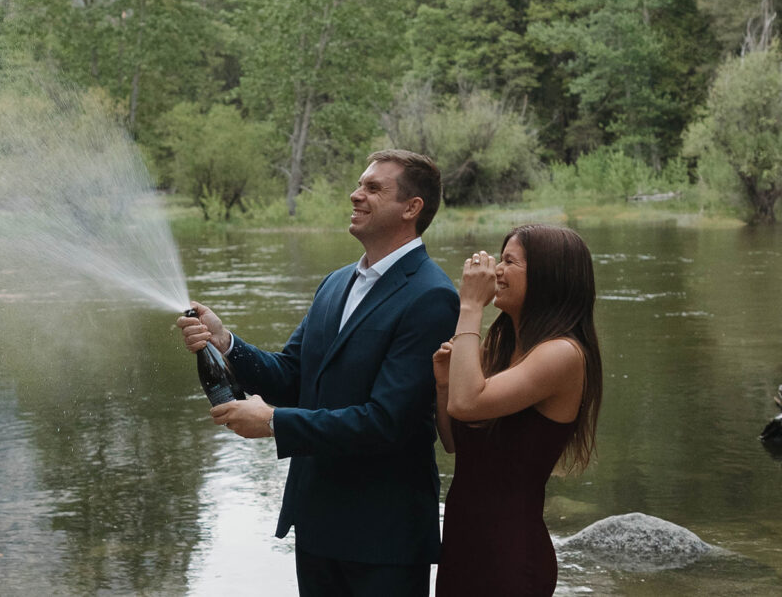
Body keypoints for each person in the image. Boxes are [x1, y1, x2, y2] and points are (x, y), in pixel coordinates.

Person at [177, 149, 459, 596]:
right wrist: (226, 341)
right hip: (316, 523)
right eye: (359, 184)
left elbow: (388, 422)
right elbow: (291, 376)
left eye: (373, 188)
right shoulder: (335, 283)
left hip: (383, 535)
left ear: (412, 208)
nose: (355, 194)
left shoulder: (432, 297)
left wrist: (272, 422)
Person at [433, 224, 603, 596]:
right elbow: (454, 442)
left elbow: (467, 403)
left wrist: (470, 305)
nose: (496, 271)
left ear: (547, 276)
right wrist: (444, 384)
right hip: (463, 545)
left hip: (510, 554)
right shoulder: (501, 345)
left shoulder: (562, 354)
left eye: (509, 261)